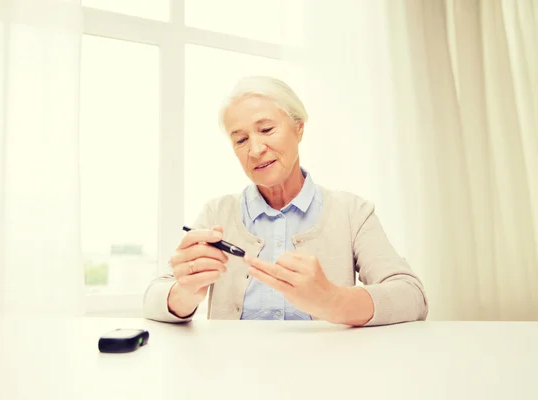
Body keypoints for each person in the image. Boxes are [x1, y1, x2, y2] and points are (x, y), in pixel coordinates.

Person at [143, 76, 428, 326]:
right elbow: (154, 296)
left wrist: (332, 299)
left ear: (299, 128)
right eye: (240, 140)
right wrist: (185, 293)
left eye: (266, 130)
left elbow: (412, 296)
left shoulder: (352, 212)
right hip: (234, 375)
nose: (255, 149)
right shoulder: (217, 213)